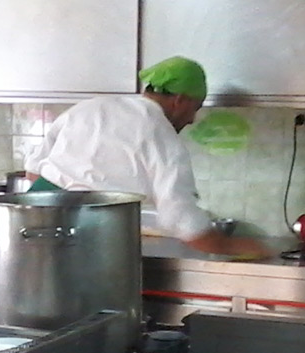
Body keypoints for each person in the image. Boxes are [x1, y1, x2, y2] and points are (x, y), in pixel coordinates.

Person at [24, 56, 270, 258]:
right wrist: (232, 246)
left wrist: (63, 198)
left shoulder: (92, 107)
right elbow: (179, 216)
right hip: (86, 238)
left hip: (28, 225)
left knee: (25, 295)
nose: (192, 120)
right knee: (81, 303)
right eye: (195, 108)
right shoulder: (161, 133)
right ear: (180, 101)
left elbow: (33, 170)